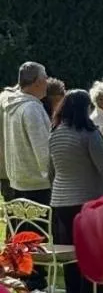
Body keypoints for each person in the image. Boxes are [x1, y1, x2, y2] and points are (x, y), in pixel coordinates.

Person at [49, 89, 103, 293]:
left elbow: (51, 171)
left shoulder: (55, 133)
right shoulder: (89, 133)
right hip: (87, 201)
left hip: (60, 201)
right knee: (92, 251)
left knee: (70, 251)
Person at [0, 62, 51, 206]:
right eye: (46, 78)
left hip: (17, 181)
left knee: (21, 228)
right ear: (37, 82)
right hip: (38, 186)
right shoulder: (32, 109)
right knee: (41, 228)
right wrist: (56, 178)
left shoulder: (10, 103)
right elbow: (43, 151)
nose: (48, 82)